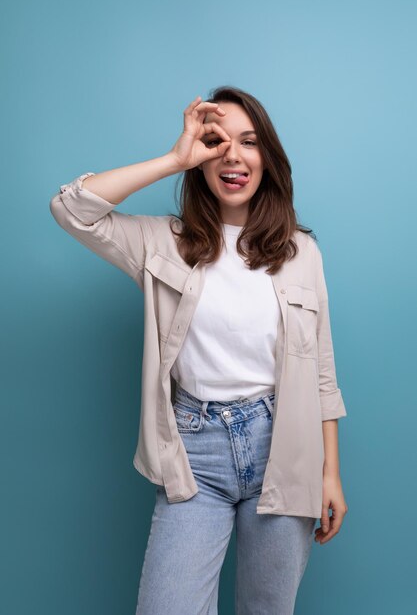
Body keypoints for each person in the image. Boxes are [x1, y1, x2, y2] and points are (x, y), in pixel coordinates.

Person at [50, 86, 348, 615]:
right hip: (194, 452)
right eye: (217, 142)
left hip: (284, 447)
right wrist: (174, 157)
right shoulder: (163, 242)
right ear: (202, 160)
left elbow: (322, 372)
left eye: (249, 142)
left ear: (268, 159)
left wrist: (330, 474)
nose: (232, 155)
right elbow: (72, 210)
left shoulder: (302, 252)